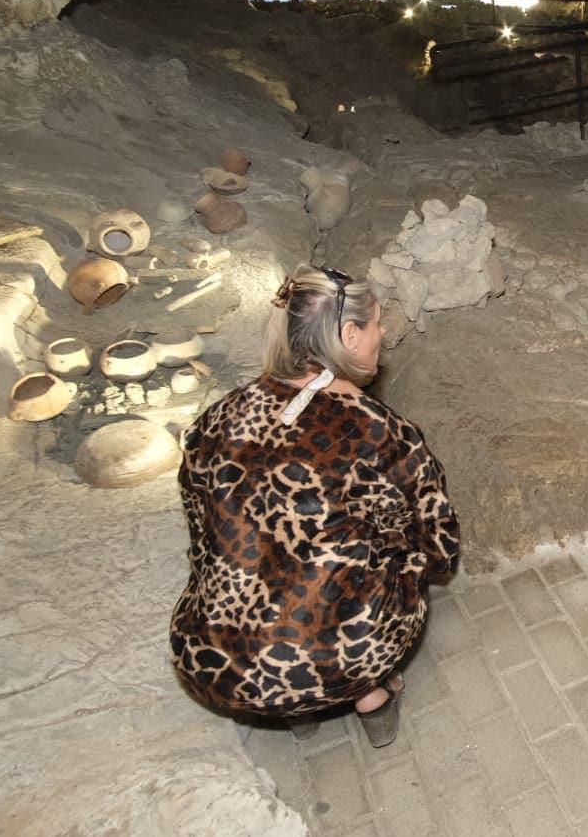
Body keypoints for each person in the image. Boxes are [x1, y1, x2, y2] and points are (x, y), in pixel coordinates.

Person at [170, 266, 459, 748]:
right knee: (394, 556)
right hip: (338, 658)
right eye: (377, 324)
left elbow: (203, 539)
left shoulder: (215, 420)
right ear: (349, 335)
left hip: (218, 661)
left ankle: (296, 716)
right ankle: (370, 695)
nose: (383, 334)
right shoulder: (382, 433)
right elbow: (439, 547)